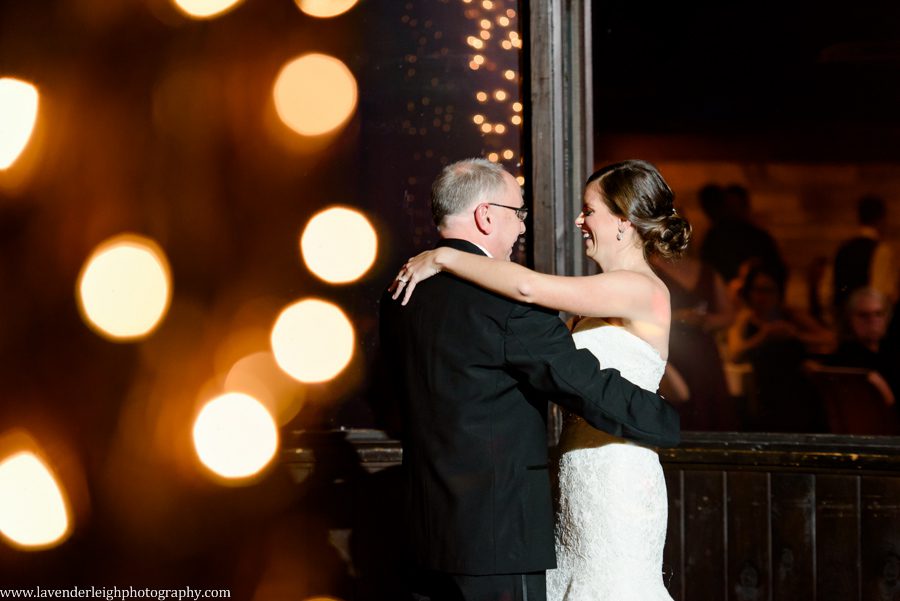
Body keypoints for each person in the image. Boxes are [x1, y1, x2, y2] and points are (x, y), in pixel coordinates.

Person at [390, 159, 689, 601]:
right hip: (574, 473)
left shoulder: (639, 288)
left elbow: (527, 289)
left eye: (589, 210)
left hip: (617, 473)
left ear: (623, 222)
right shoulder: (599, 291)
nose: (579, 220)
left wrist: (446, 255)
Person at [726, 264, 834, 431]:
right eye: (757, 290)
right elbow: (735, 352)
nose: (762, 297)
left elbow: (829, 338)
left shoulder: (790, 314)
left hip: (799, 394)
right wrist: (763, 336)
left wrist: (795, 335)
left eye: (769, 290)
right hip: (764, 395)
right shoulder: (745, 319)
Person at [832, 194, 899, 311]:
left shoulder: (843, 249)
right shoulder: (881, 249)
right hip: (868, 319)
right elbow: (880, 292)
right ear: (881, 218)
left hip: (846, 316)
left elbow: (834, 289)